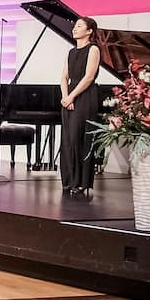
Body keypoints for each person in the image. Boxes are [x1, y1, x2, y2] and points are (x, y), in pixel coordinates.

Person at [60, 16, 102, 196]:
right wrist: (65, 97)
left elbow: (89, 77)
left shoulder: (93, 49)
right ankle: (69, 180)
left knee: (80, 138)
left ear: (89, 31)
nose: (74, 29)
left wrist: (72, 96)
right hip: (69, 95)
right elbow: (63, 77)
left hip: (84, 96)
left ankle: (81, 182)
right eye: (75, 26)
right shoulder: (71, 52)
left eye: (79, 26)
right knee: (68, 139)